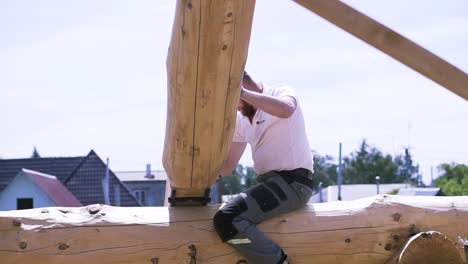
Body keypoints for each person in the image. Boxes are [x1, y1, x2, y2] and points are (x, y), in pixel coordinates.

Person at [213, 71, 314, 264]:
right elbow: (226, 168)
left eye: (231, 101)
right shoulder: (242, 121)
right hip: (273, 186)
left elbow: (287, 109)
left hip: (293, 183)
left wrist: (240, 93)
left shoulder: (281, 92)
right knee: (227, 219)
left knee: (227, 218)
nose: (234, 108)